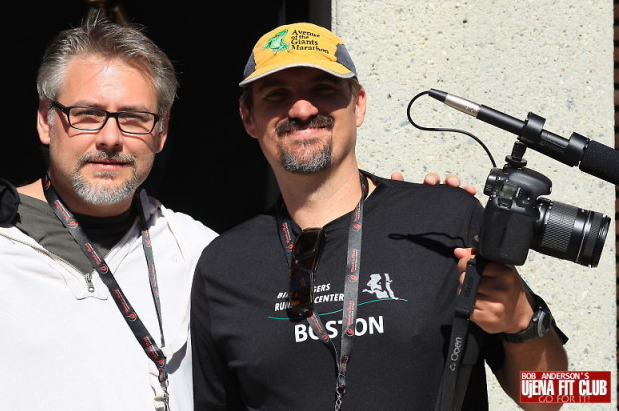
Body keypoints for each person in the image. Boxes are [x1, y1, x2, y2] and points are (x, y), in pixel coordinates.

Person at [190, 22, 568, 410]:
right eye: (276, 95)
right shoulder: (223, 266)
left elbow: (553, 396)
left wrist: (522, 321)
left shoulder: (445, 218)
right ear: (248, 117)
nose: (302, 109)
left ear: (359, 105)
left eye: (323, 89)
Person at [0, 19, 218, 411]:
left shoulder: (197, 253)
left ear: (161, 132)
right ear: (45, 120)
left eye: (134, 117)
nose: (110, 139)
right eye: (88, 114)